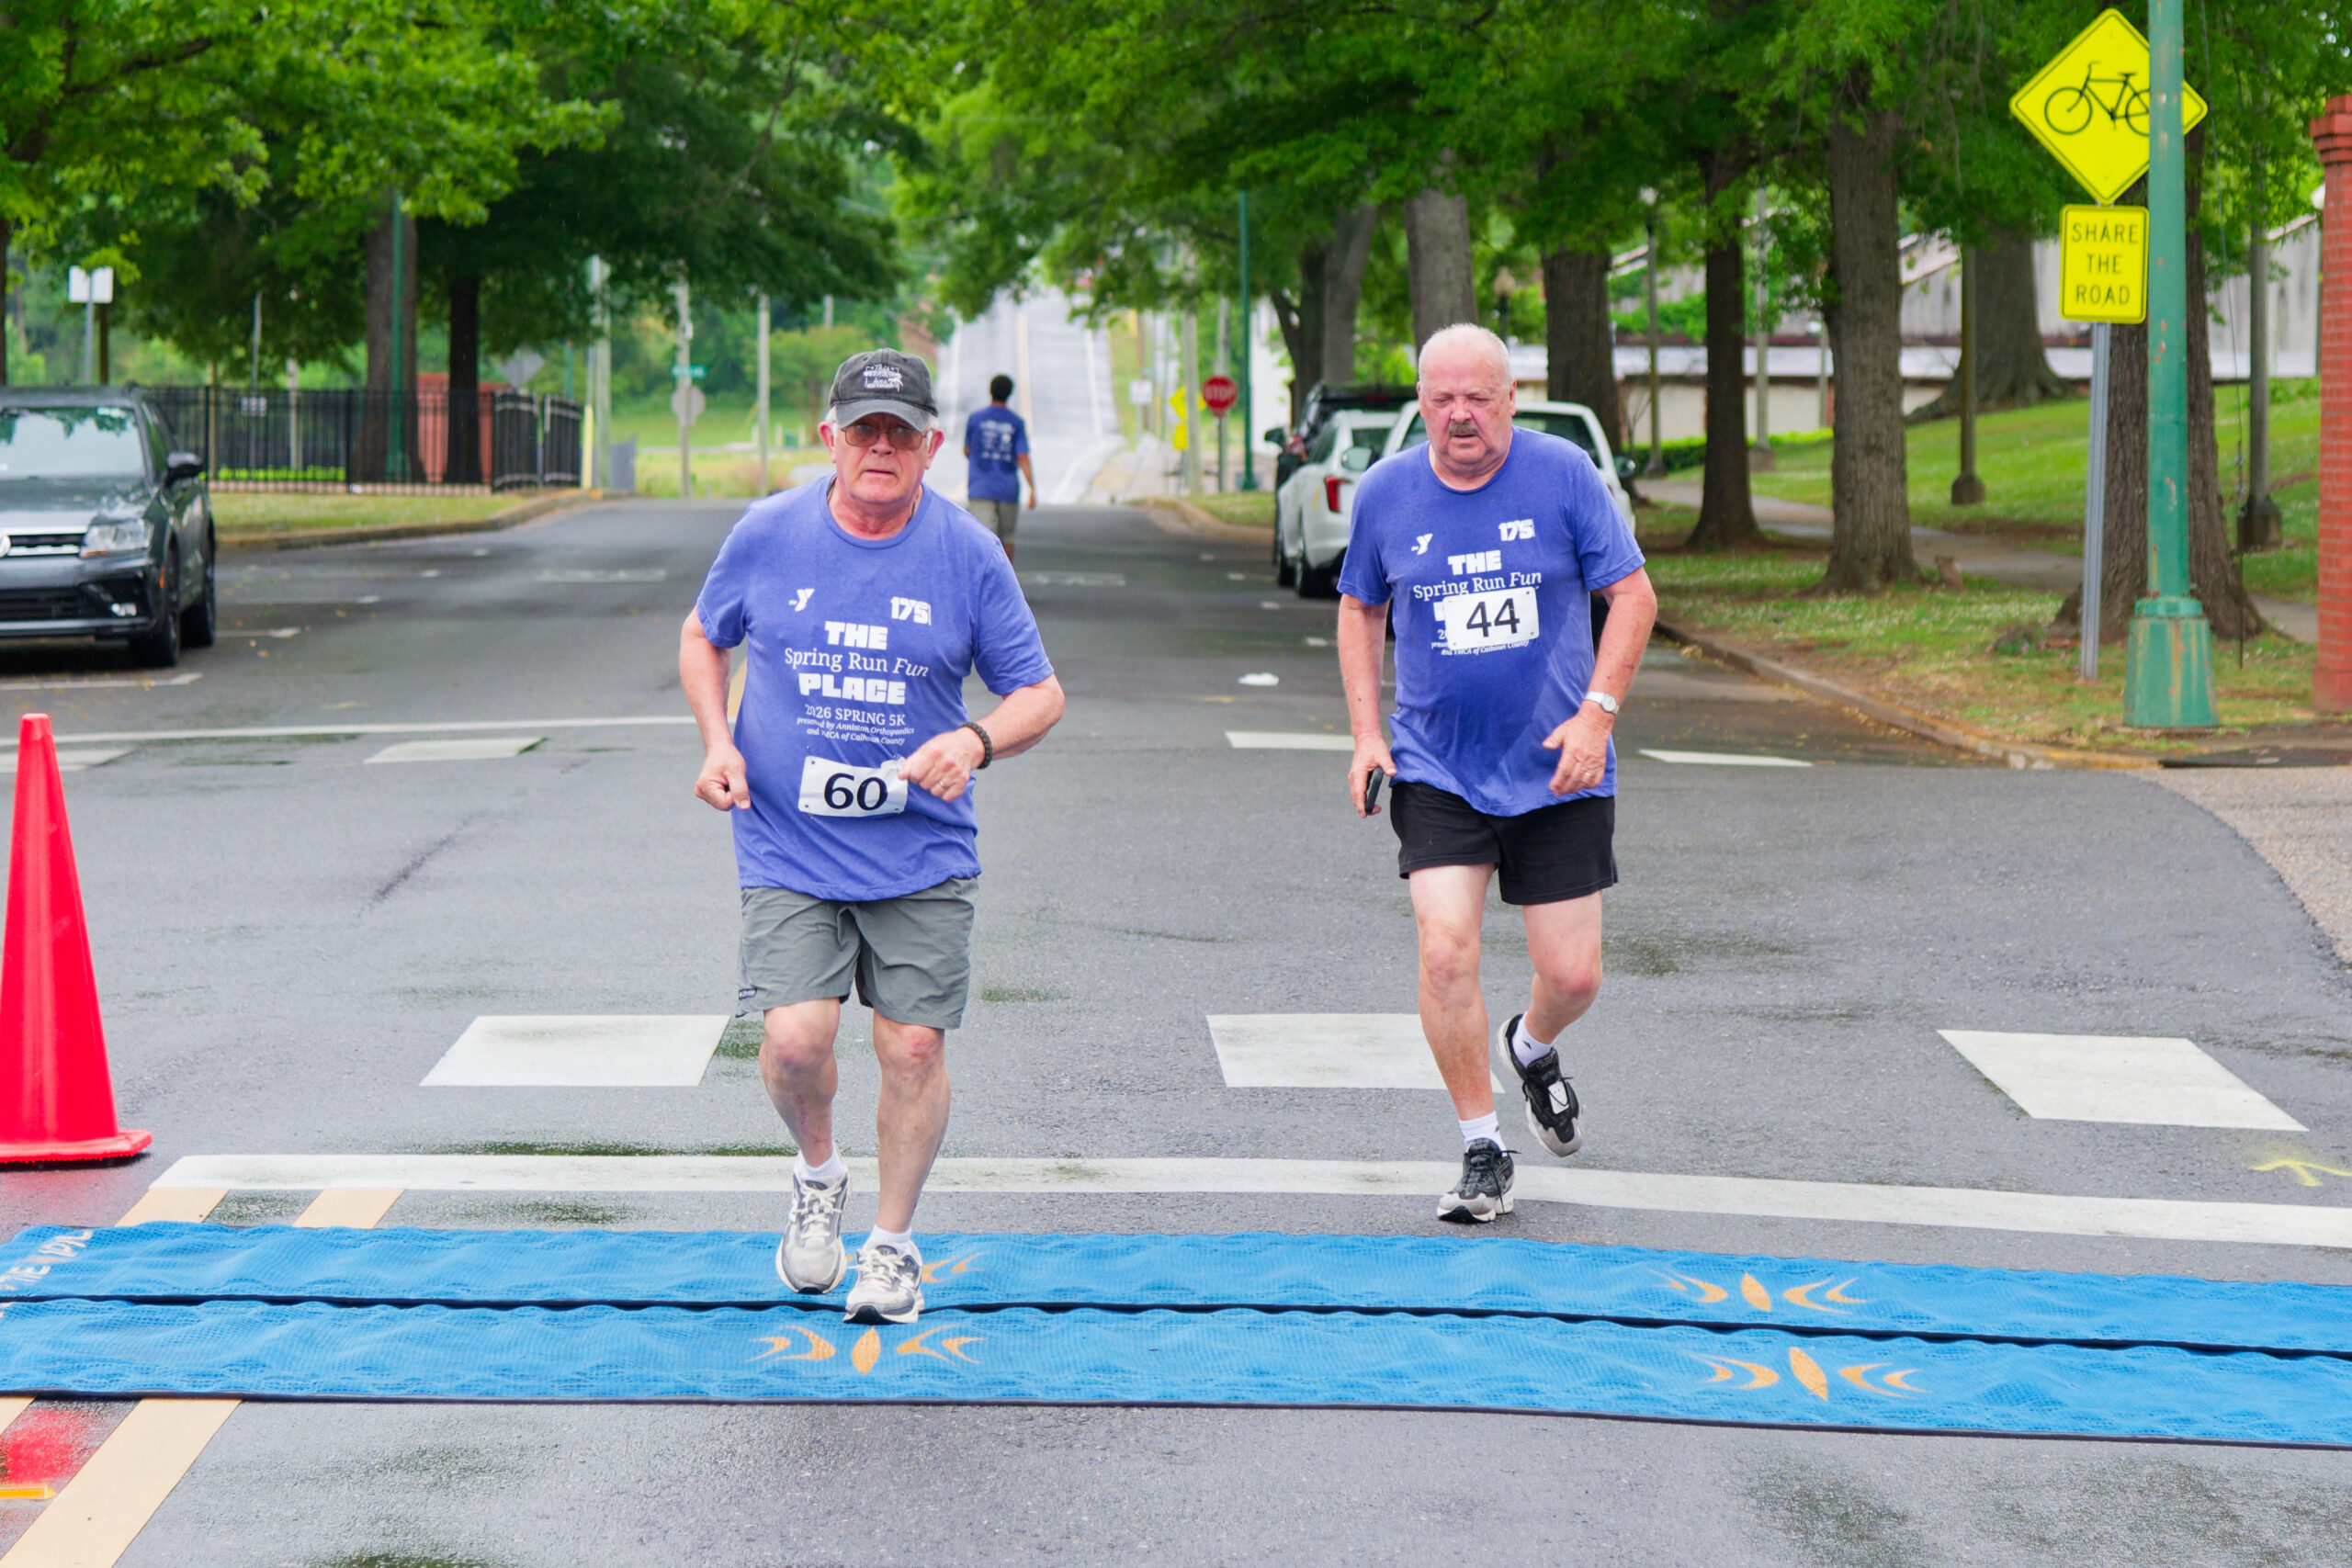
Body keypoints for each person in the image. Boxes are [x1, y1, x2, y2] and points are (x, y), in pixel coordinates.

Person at [682, 348, 1065, 1323]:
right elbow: (703, 635)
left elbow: (1041, 694)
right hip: (788, 840)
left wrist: (973, 741)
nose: (880, 448)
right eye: (864, 431)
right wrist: (719, 742)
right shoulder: (769, 532)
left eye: (900, 432)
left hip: (920, 850)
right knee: (797, 1042)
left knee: (914, 1050)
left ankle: (890, 1248)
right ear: (831, 441)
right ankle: (818, 1174)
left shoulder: (967, 553)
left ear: (933, 446)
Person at [1335, 323, 1657, 1224]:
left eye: (1477, 397)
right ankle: (1482, 1144)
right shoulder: (1388, 493)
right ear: (1421, 405)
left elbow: (1631, 597)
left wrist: (1596, 714)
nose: (1460, 416)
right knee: (1443, 947)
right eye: (1440, 400)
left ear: (1509, 397)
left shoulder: (1561, 476)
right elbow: (1360, 610)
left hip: (1560, 764)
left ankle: (1532, 1044)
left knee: (1576, 976)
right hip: (1437, 766)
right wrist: (1366, 735)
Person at [962, 373, 1036, 558]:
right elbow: (1023, 457)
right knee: (1006, 540)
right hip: (1007, 489)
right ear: (1010, 394)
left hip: (981, 488)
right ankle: (1005, 583)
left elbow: (967, 450)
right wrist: (1032, 488)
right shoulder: (1016, 423)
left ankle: (981, 581)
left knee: (981, 538)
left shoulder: (975, 419)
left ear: (990, 391)